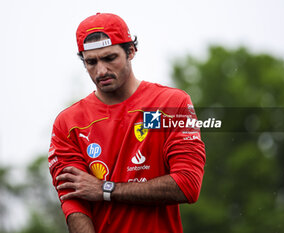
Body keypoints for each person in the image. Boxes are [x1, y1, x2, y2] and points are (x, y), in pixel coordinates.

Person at [48, 13, 206, 233]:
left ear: (131, 51)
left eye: (110, 58)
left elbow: (187, 185)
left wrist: (105, 189)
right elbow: (74, 203)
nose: (101, 71)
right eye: (91, 62)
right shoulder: (68, 123)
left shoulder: (171, 104)